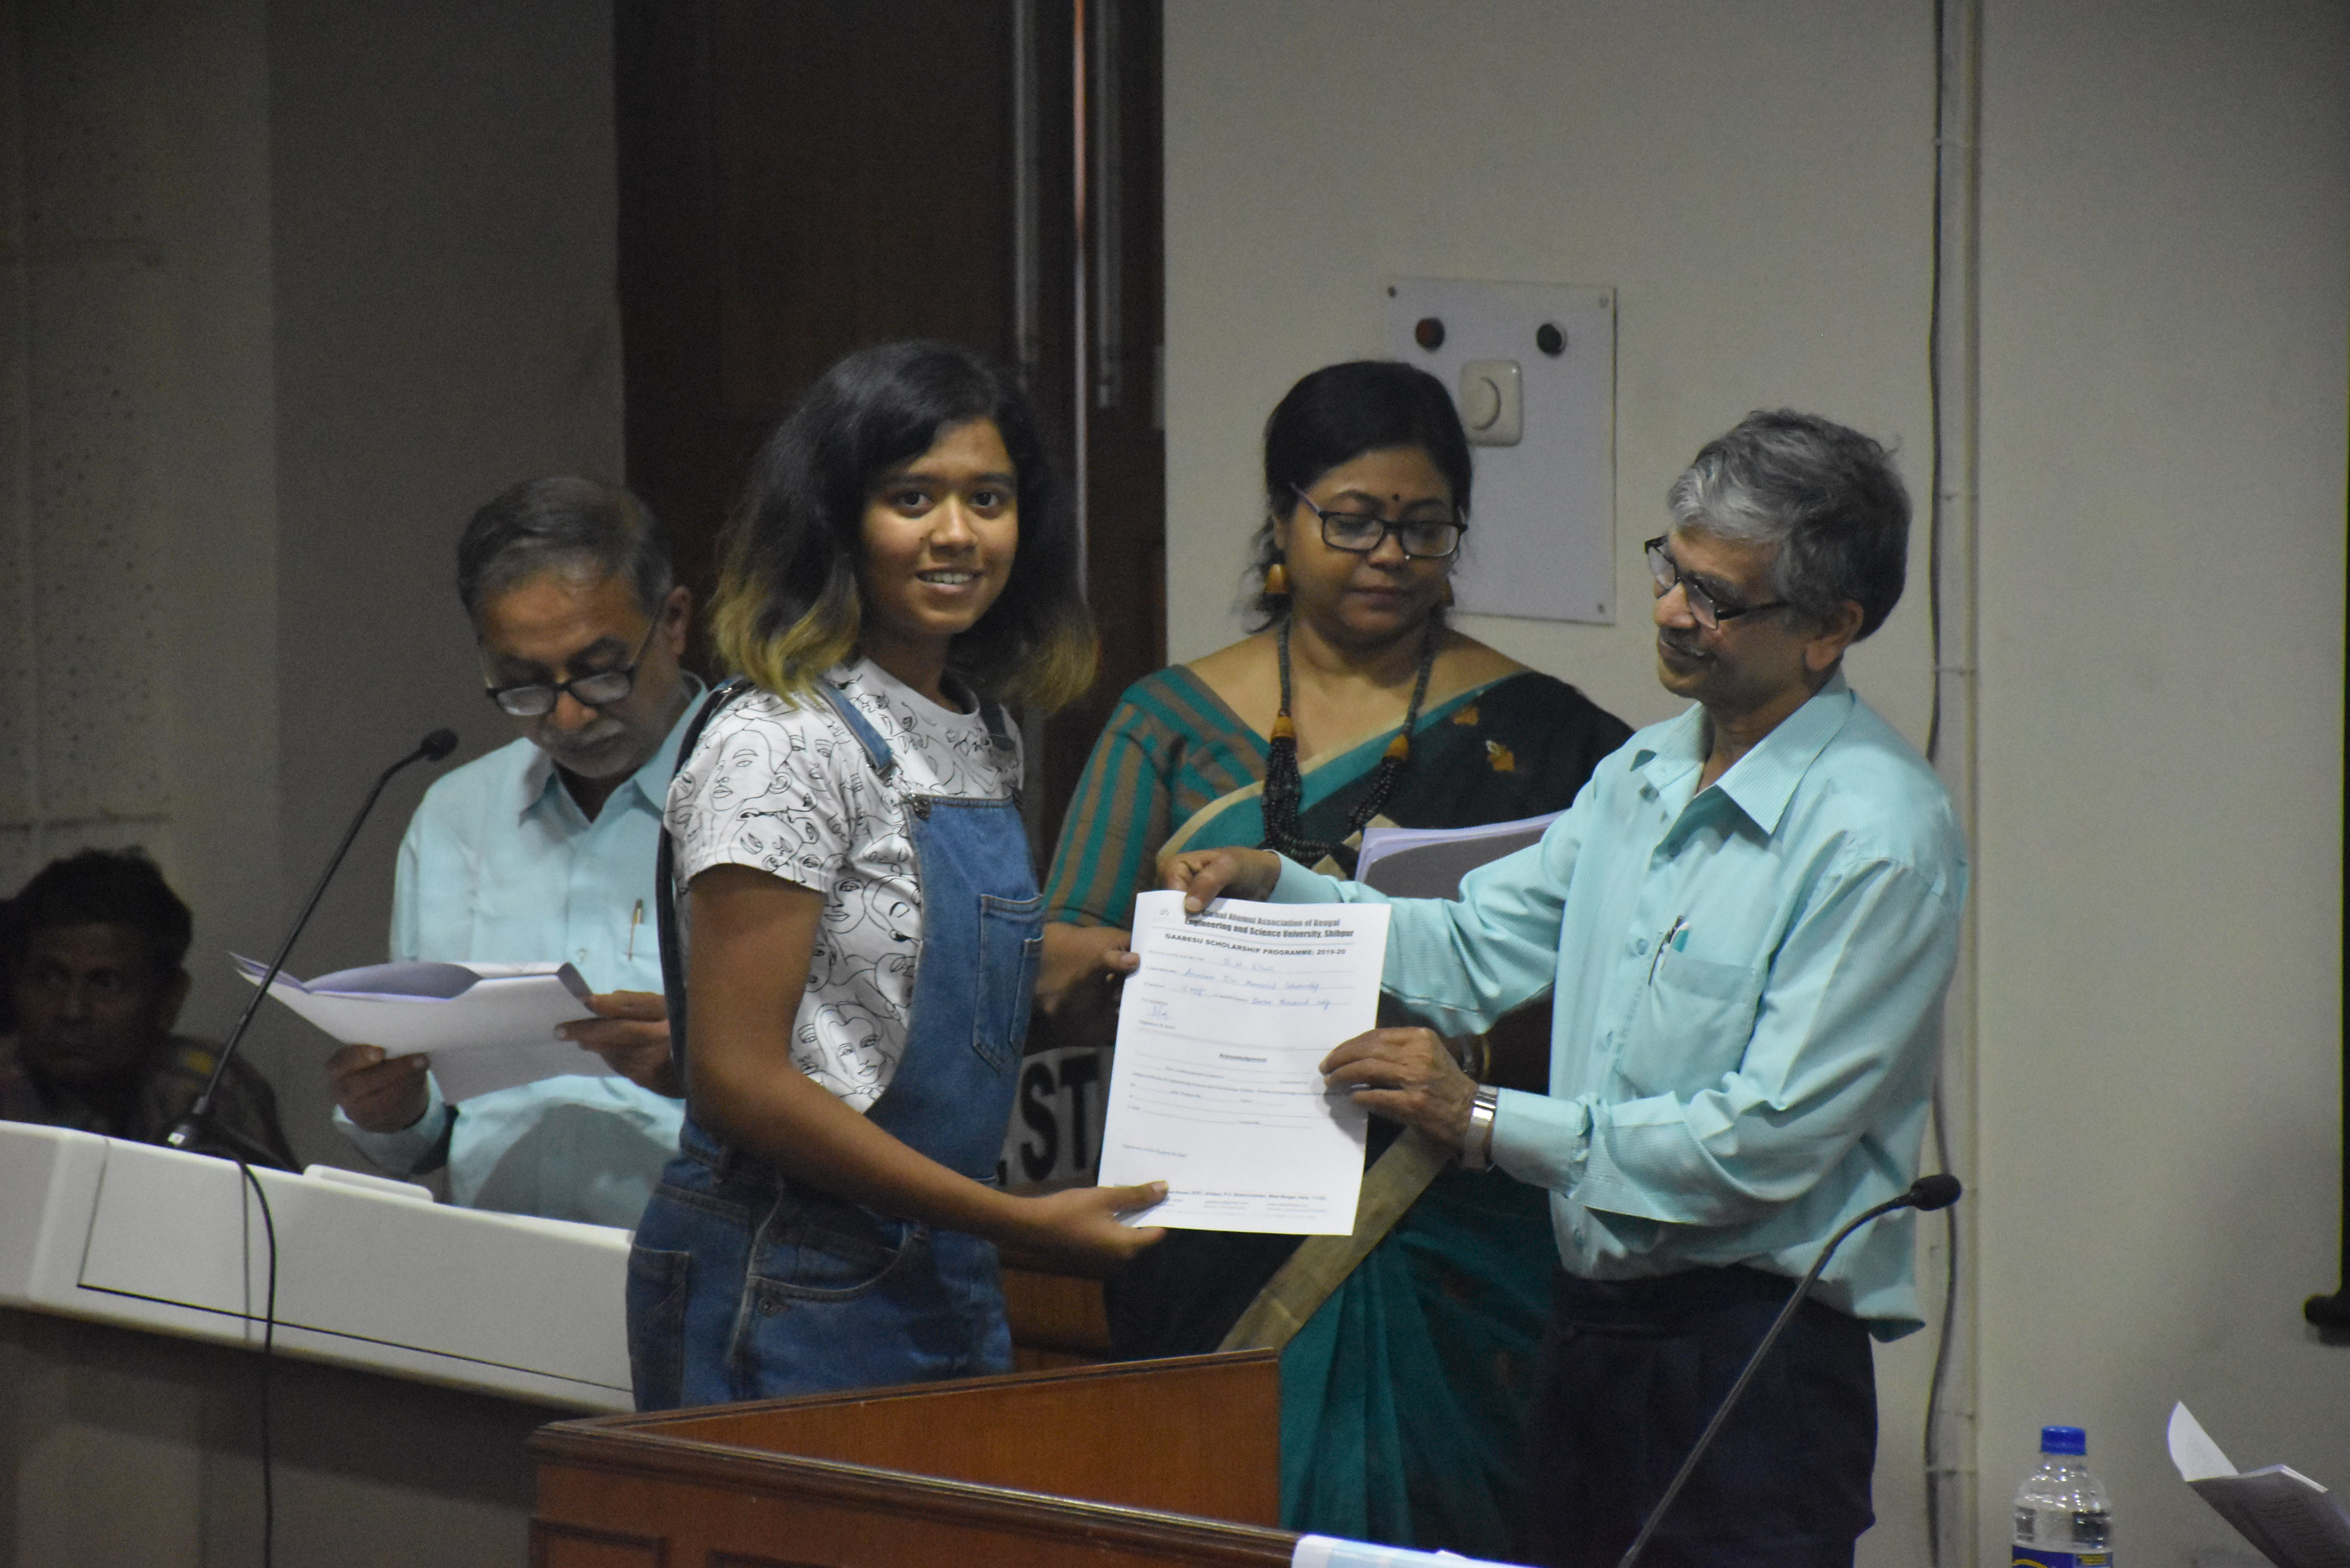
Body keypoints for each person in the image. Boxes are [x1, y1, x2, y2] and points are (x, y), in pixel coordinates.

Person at [1167, 410, 1967, 1568]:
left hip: (1752, 1353)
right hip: (1587, 1329)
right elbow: (1473, 948)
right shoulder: (1644, 771)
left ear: (1831, 628)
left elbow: (1762, 1140)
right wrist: (1278, 889)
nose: (1673, 613)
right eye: (1669, 570)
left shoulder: (1876, 835)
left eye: (1717, 597)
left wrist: (1483, 1120)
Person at [1045, 359, 1630, 1554]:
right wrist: (1145, 967)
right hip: (1214, 1216)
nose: (1389, 555)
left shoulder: (1552, 734)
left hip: (1454, 1223)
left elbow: (1611, 981)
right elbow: (1055, 954)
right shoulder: (1170, 720)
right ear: (1281, 518)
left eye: (1424, 527)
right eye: (1353, 520)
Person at [626, 340, 1164, 1411]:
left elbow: (878, 986)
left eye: (988, 499)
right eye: (911, 498)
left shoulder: (979, 727)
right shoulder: (779, 740)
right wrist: (1013, 1221)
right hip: (787, 1267)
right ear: (836, 519)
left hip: (934, 1256)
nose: (956, 533)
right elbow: (737, 1080)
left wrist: (1051, 979)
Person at [326, 478, 696, 1227]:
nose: (568, 715)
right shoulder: (457, 817)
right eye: (523, 684)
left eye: (601, 671)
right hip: (496, 1266)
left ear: (674, 622)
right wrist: (391, 1109)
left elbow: (878, 1087)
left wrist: (711, 1071)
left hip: (712, 1271)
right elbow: (431, 1133)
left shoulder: (777, 793)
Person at [2, 847, 296, 1166]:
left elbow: (275, 1197)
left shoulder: (205, 1086)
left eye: (106, 983)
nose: (72, 1011)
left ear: (170, 998)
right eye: (50, 978)